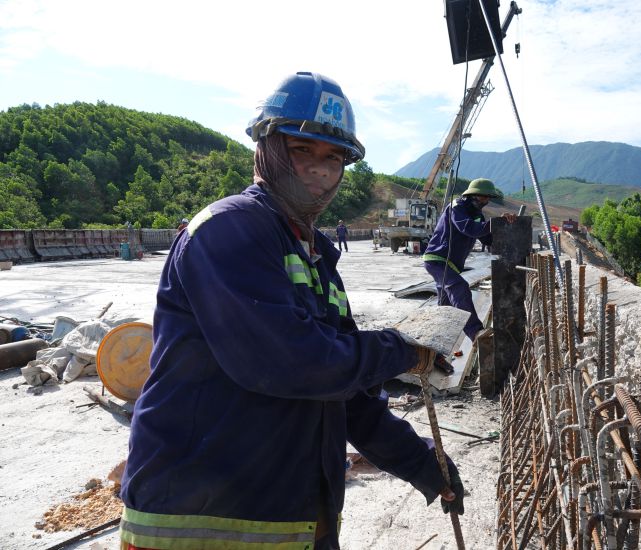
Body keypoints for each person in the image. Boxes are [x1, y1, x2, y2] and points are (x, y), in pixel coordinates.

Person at [119, 72, 463, 550]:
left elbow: (341, 390)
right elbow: (294, 364)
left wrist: (420, 463)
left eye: (333, 157)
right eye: (302, 150)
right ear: (267, 148)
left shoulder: (314, 256)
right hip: (200, 520)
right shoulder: (229, 232)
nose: (319, 169)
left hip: (290, 517)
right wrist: (399, 350)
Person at [423, 178, 516, 341]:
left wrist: (506, 231)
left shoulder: (477, 215)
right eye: (483, 197)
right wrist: (493, 223)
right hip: (438, 259)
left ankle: (435, 352)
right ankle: (476, 333)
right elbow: (467, 228)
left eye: (488, 198)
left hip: (451, 264)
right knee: (459, 288)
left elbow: (487, 238)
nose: (486, 201)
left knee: (445, 309)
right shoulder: (456, 207)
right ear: (472, 195)